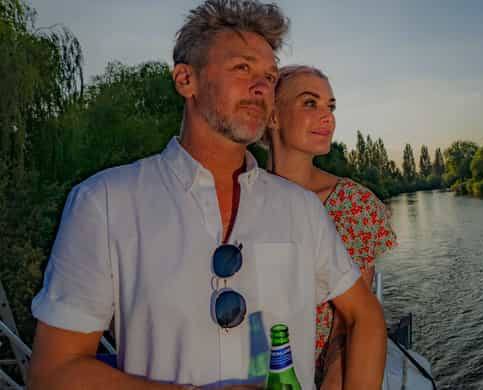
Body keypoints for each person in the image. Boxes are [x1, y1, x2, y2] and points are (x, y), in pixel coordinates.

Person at [26, 1, 387, 389]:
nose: (261, 87)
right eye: (242, 68)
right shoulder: (104, 203)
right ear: (186, 80)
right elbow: (53, 371)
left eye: (269, 76)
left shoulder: (301, 209)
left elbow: (364, 316)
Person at [264, 65, 397, 389]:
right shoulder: (233, 195)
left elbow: (348, 327)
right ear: (273, 116)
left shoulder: (354, 206)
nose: (329, 117)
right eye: (310, 103)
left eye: (331, 106)